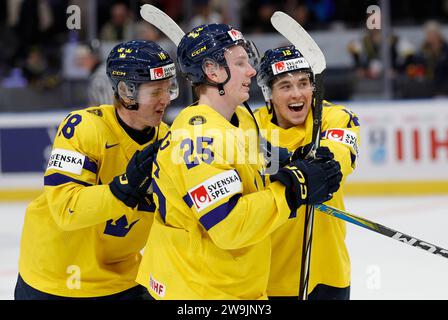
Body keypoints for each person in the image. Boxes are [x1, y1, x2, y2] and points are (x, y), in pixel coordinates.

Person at [136, 24, 342, 300]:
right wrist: (293, 190)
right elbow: (229, 226)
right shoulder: (199, 140)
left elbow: (252, 163)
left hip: (234, 286)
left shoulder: (240, 118)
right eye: (241, 63)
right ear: (213, 71)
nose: (252, 71)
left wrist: (294, 164)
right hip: (195, 292)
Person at [15, 40, 178, 300]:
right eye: (156, 91)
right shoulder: (82, 127)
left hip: (122, 280)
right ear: (127, 92)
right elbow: (66, 209)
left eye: (169, 89)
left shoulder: (168, 139)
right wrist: (124, 187)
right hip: (54, 282)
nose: (166, 99)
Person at [255, 45, 360, 300]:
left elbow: (339, 158)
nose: (297, 94)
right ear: (269, 93)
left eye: (303, 83)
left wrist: (317, 168)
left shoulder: (334, 117)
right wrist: (293, 167)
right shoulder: (251, 127)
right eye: (285, 86)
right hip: (268, 280)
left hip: (327, 274)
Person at [75, 41, 113, 106]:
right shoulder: (103, 71)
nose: (80, 62)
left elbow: (108, 106)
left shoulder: (100, 76)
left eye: (82, 58)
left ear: (93, 57)